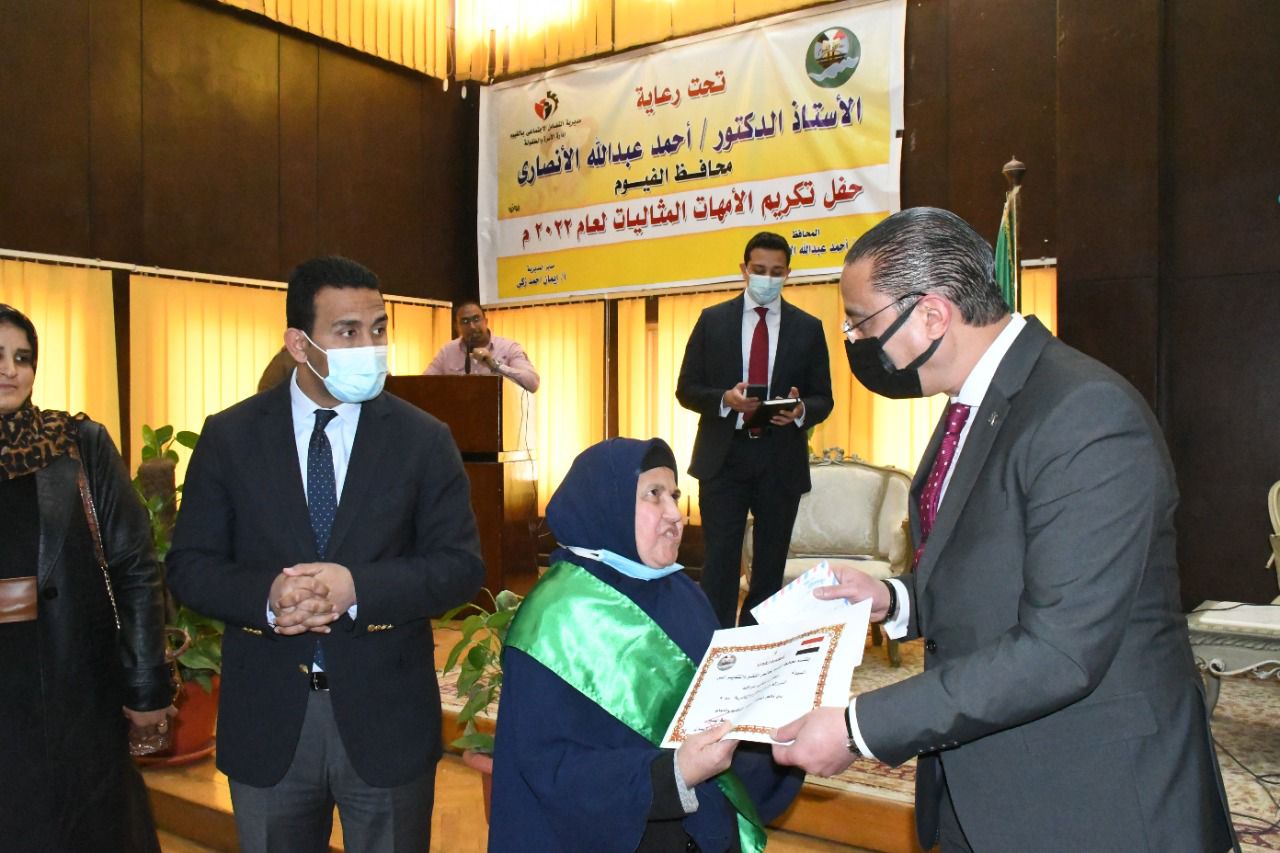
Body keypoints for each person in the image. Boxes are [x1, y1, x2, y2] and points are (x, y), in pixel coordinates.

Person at [772, 208, 1237, 852]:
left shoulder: (1084, 413)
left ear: (932, 315)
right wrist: (895, 598)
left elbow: (1061, 650)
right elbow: (991, 564)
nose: (855, 343)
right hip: (987, 784)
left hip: (1092, 798)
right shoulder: (973, 403)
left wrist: (860, 727)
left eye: (861, 323)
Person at [167, 257, 485, 853]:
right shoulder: (230, 437)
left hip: (387, 720)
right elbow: (190, 566)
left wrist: (357, 587)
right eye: (347, 331)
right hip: (268, 721)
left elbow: (460, 566)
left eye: (379, 329)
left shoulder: (423, 439)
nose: (369, 347)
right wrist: (266, 596)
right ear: (299, 344)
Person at [489, 437, 802, 852]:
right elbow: (551, 768)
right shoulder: (554, 619)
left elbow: (721, 705)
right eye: (653, 494)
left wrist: (783, 724)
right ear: (608, 502)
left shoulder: (681, 592)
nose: (674, 514)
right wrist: (673, 773)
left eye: (674, 495)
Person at [0, 304, 173, 851]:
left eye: (22, 357)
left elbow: (135, 567)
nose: (10, 369)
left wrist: (145, 686)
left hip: (74, 685)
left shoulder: (76, 443)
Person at [677, 231, 833, 628]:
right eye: (760, 269)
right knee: (720, 562)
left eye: (776, 272)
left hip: (779, 459)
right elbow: (687, 389)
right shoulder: (712, 321)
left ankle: (755, 646)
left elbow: (824, 398)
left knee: (770, 565)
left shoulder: (808, 328)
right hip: (724, 457)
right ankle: (714, 644)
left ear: (788, 274)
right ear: (744, 269)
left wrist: (800, 409)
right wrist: (725, 400)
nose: (767, 278)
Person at [424, 300, 539, 392]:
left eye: (476, 319)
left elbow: (532, 383)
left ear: (485, 321)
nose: (472, 326)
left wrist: (494, 365)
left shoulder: (509, 348)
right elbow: (423, 385)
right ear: (457, 327)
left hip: (500, 412)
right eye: (465, 322)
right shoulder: (447, 352)